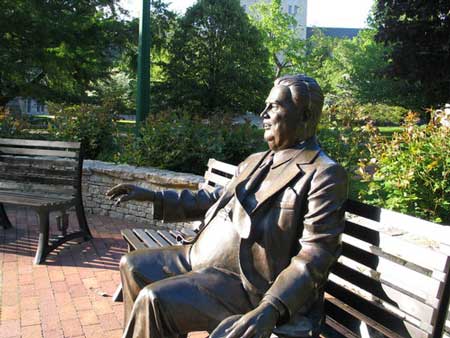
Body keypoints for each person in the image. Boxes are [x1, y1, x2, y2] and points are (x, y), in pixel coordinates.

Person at [107, 74, 348, 338]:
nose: (263, 113)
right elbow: (213, 199)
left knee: (155, 300)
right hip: (198, 258)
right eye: (265, 105)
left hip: (248, 284)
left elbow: (316, 254)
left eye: (275, 106)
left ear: (304, 115)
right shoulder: (255, 160)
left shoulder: (323, 173)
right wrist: (154, 196)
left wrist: (271, 307)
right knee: (131, 265)